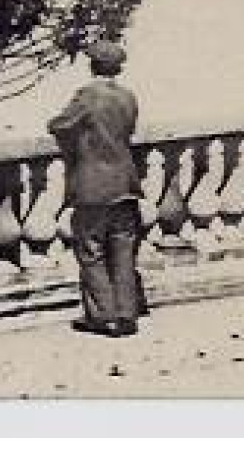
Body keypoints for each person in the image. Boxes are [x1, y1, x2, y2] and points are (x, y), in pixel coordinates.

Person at [48, 39, 143, 338]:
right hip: (126, 183)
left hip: (93, 186)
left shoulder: (87, 97)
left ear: (92, 65)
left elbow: (59, 125)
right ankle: (127, 313)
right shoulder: (128, 97)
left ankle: (105, 316)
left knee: (91, 250)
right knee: (124, 249)